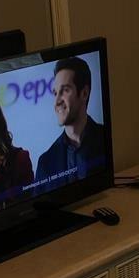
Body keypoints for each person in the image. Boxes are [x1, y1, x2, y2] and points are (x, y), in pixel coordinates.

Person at [36, 56, 106, 184]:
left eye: (65, 90)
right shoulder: (45, 162)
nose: (57, 102)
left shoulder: (106, 138)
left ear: (84, 93)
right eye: (55, 93)